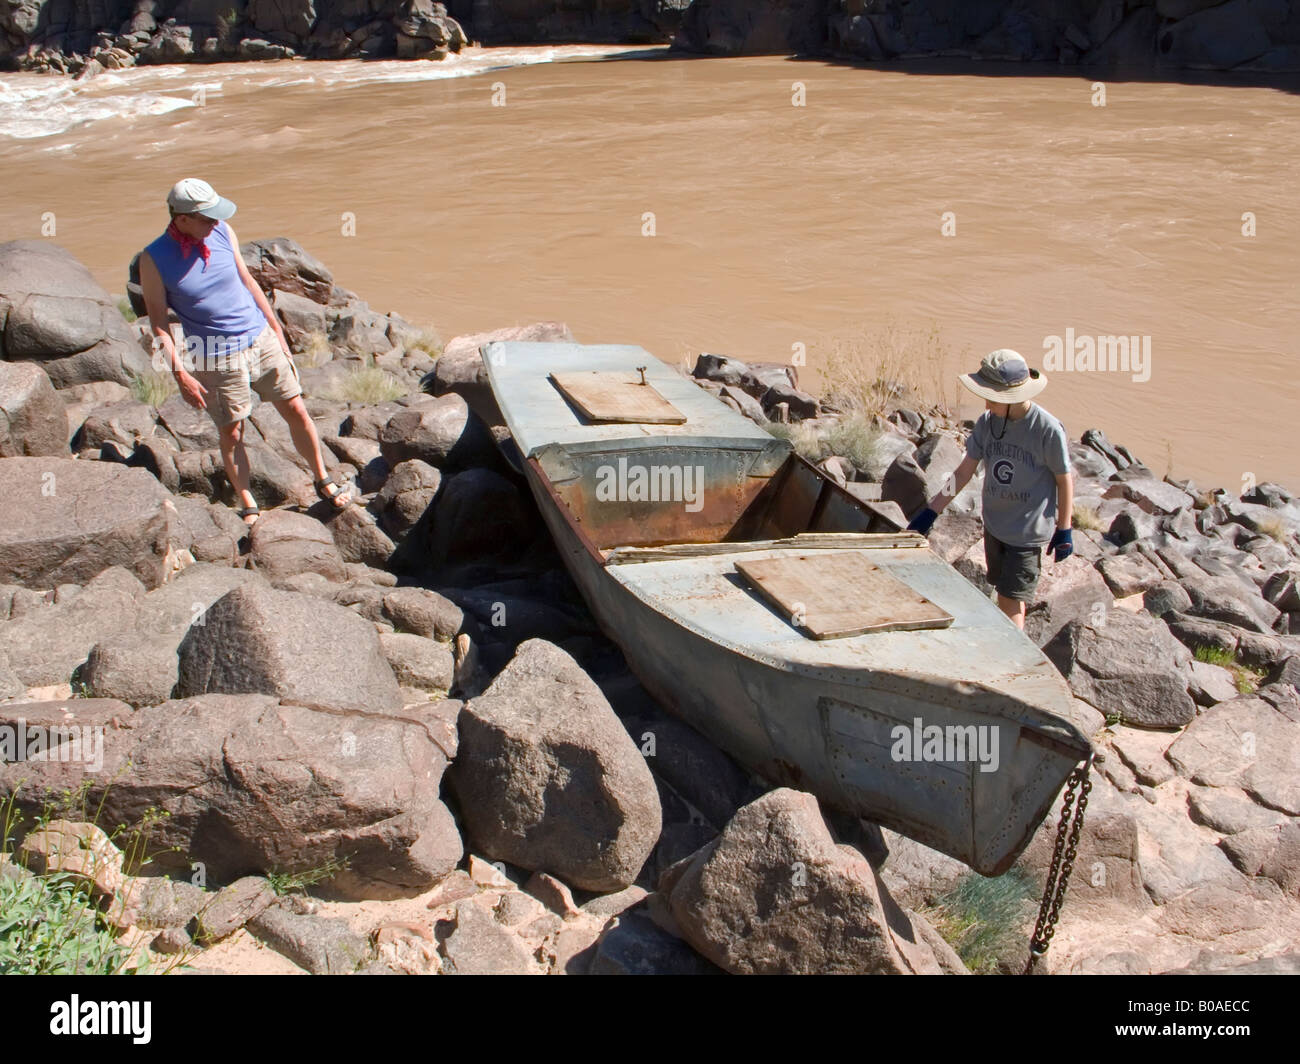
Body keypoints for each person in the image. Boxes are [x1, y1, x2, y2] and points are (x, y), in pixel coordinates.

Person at [138, 177, 351, 525]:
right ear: (182, 219)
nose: (214, 222)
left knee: (296, 407)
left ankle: (322, 478)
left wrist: (276, 329)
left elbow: (247, 280)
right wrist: (180, 374)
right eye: (206, 218)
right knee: (232, 430)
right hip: (215, 353)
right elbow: (159, 322)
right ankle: (248, 503)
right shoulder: (154, 259)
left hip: (259, 338)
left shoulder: (221, 231)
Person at [907, 349, 1073, 630]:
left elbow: (1064, 479)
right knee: (1004, 593)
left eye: (993, 398)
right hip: (995, 527)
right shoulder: (987, 424)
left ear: (1013, 397)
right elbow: (962, 472)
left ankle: (1012, 664)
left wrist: (1064, 528)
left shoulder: (1046, 430)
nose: (986, 405)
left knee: (1009, 600)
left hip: (1026, 533)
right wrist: (931, 511)